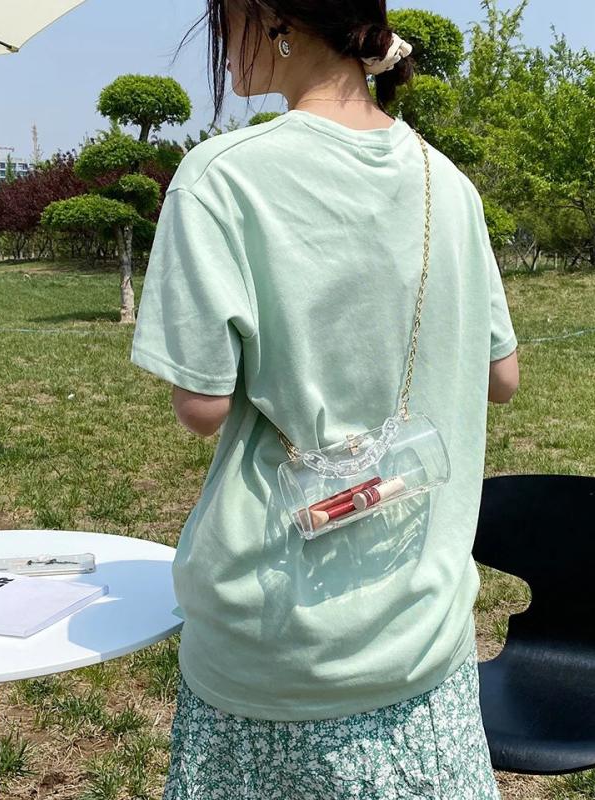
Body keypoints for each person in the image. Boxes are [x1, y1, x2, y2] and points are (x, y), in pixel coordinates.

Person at [130, 1, 520, 797]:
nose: (221, 49)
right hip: (424, 641)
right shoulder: (448, 183)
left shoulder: (220, 177)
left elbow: (201, 406)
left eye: (222, 20)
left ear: (270, 17)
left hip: (276, 653)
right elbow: (502, 376)